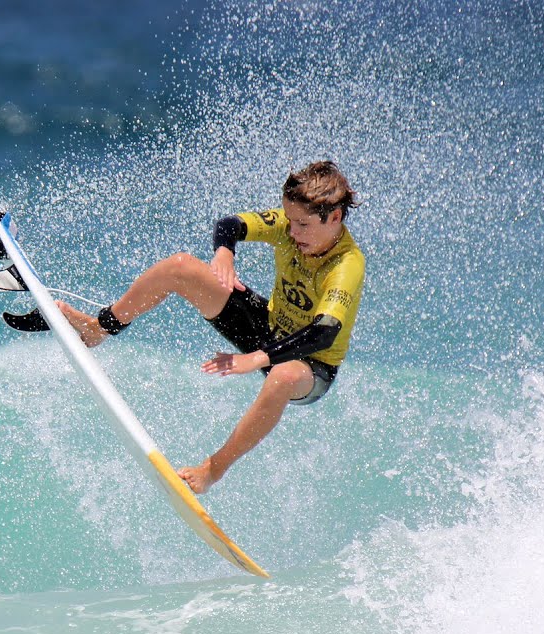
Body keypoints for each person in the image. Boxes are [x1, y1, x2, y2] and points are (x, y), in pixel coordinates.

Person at [58, 160, 365, 494]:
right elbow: (230, 224)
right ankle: (97, 329)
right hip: (270, 329)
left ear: (334, 217)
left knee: (283, 375)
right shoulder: (291, 224)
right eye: (290, 221)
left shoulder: (347, 265)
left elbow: (324, 332)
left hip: (311, 366)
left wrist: (258, 358)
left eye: (303, 225)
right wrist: (225, 253)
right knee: (180, 267)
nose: (292, 233)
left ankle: (212, 469)